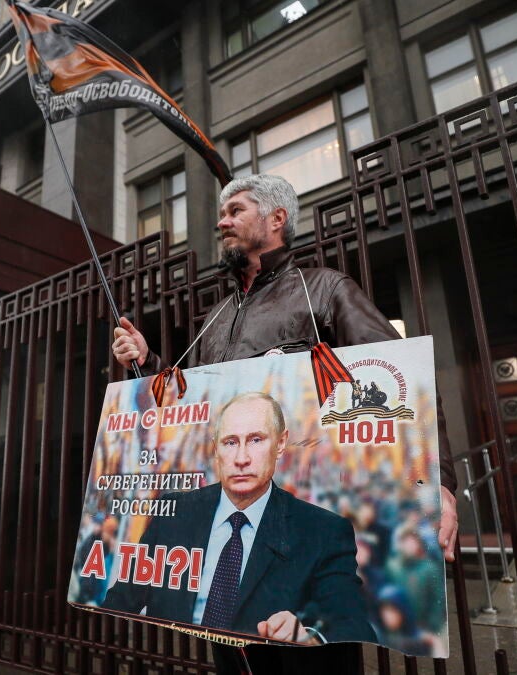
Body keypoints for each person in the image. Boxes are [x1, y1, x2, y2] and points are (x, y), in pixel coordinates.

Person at [112, 174, 459, 674]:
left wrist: (439, 482)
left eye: (236, 210)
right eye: (222, 212)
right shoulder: (216, 318)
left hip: (301, 539)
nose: (221, 221)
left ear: (277, 219)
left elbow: (401, 380)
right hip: (228, 551)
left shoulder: (326, 289)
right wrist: (148, 362)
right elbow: (193, 406)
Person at [104, 392, 374, 645]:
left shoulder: (323, 532)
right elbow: (118, 606)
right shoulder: (174, 512)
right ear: (216, 449)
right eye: (230, 442)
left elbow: (355, 630)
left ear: (280, 443)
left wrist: (310, 638)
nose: (241, 458)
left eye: (256, 440)